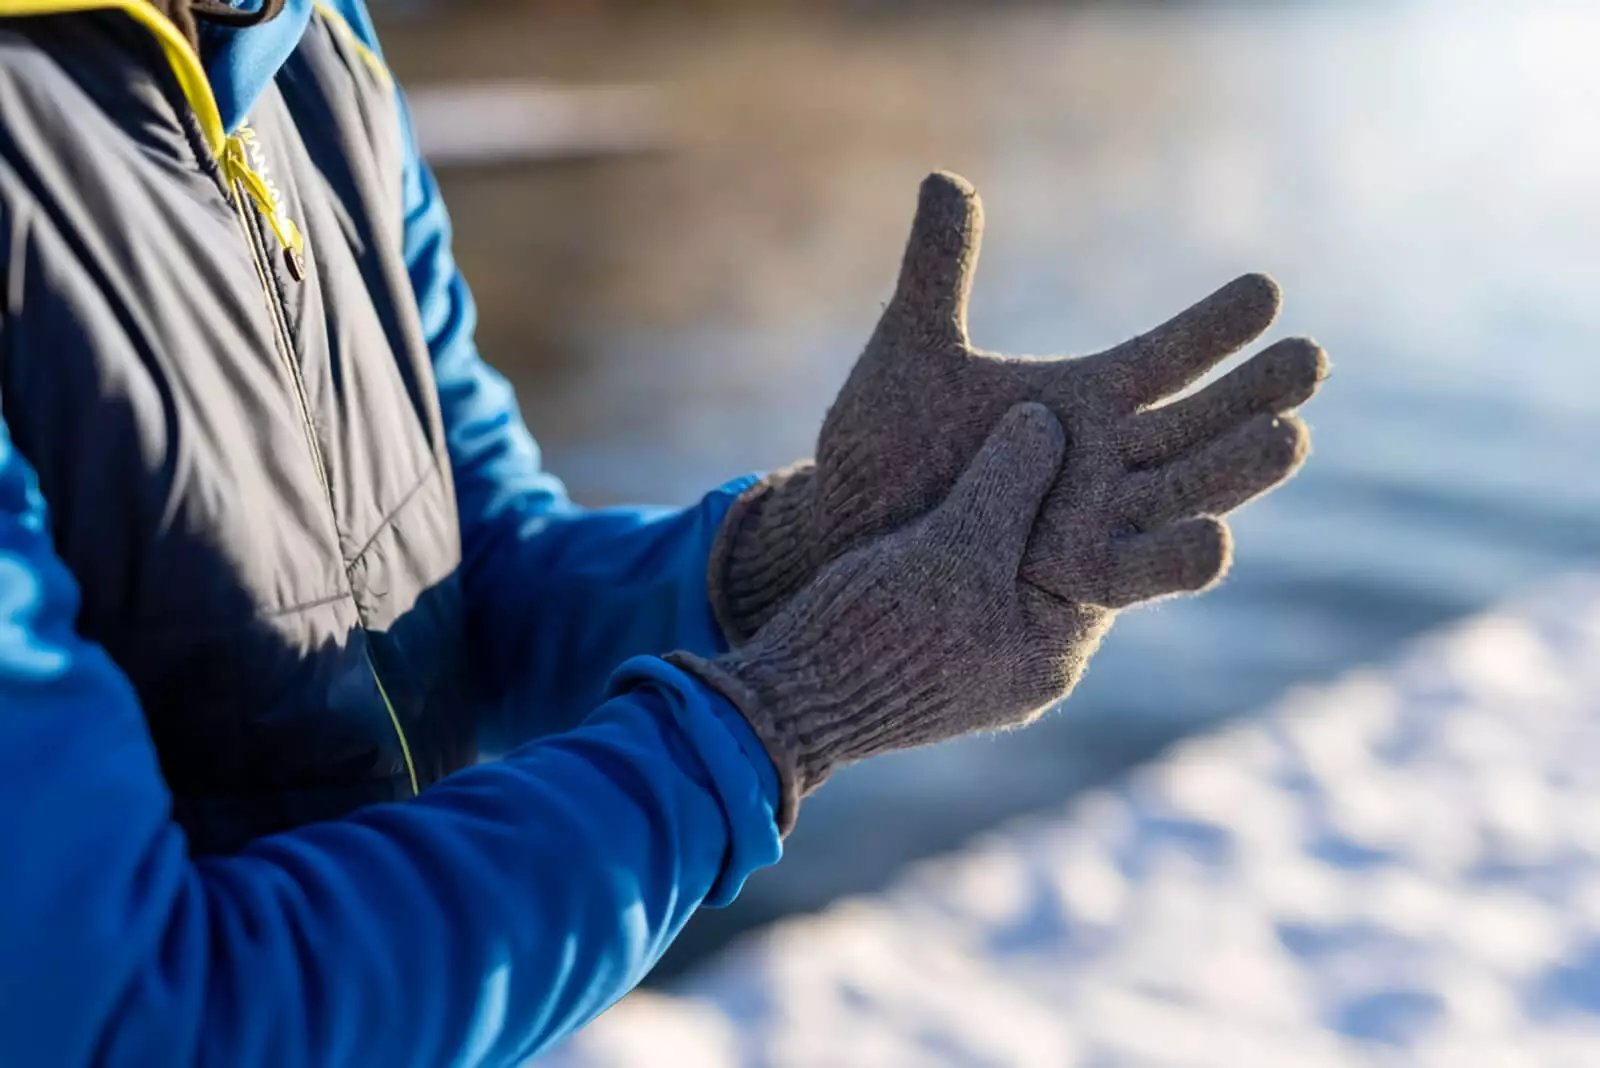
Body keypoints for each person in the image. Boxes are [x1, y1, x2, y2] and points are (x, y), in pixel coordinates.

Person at [0, 1, 1326, 1064]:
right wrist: (775, 722)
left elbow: (482, 576)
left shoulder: (314, 49)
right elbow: (127, 1021)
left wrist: (788, 553)